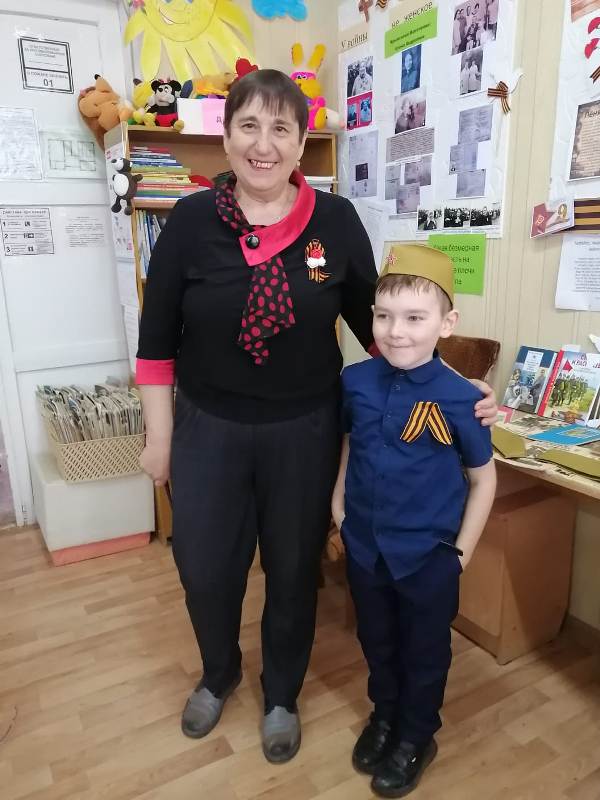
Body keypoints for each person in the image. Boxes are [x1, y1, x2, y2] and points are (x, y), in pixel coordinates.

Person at [136, 69, 498, 765]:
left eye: (281, 129)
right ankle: (218, 672)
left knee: (294, 570)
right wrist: (160, 437)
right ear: (226, 136)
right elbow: (156, 345)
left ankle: (281, 694)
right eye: (249, 126)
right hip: (207, 427)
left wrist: (458, 384)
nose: (263, 144)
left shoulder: (334, 222)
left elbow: (382, 332)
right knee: (204, 568)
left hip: (305, 428)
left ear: (303, 143)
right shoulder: (189, 223)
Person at [331, 244, 497, 797]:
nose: (396, 331)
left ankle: (416, 736)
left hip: (429, 558)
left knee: (424, 653)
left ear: (446, 323)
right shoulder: (356, 381)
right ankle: (384, 716)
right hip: (365, 546)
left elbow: (484, 480)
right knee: (377, 641)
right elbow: (353, 442)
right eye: (384, 316)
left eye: (414, 318)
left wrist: (460, 555)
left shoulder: (462, 399)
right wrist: (338, 505)